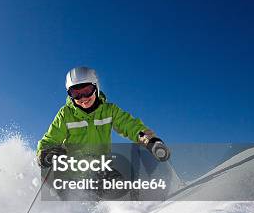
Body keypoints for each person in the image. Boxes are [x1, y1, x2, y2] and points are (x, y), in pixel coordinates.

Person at [37, 66, 169, 199]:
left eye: (87, 91)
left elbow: (131, 126)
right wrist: (45, 153)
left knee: (124, 188)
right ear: (69, 94)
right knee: (76, 197)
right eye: (76, 94)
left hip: (99, 171)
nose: (83, 98)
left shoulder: (109, 111)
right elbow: (49, 140)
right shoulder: (65, 114)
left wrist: (148, 139)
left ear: (96, 87)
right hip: (72, 174)